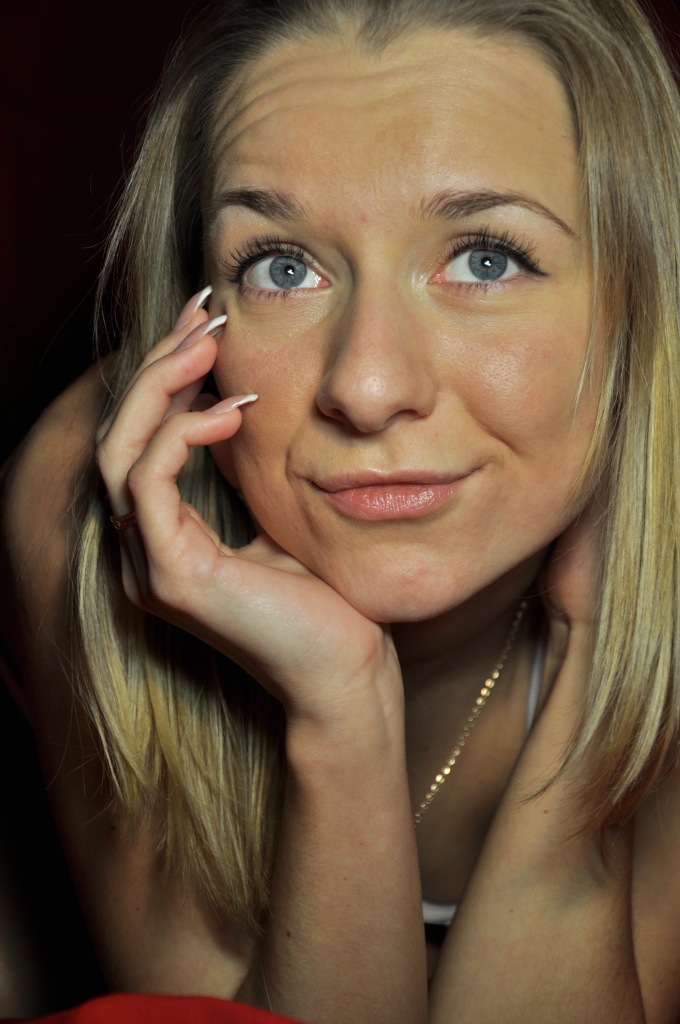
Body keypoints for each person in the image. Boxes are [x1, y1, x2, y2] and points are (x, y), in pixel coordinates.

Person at [2, 0, 680, 1020]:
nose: (365, 386)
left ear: (644, 304)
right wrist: (341, 707)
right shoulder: (81, 503)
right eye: (282, 268)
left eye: (484, 259)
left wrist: (593, 673)